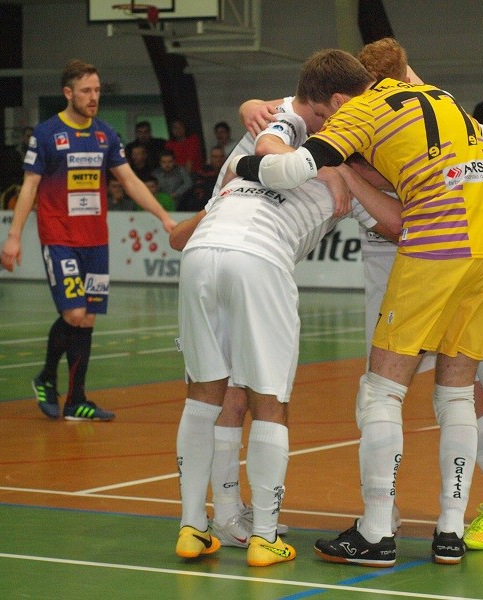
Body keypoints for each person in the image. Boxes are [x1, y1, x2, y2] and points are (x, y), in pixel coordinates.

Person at [234, 47, 483, 567]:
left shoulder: (361, 110)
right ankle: (450, 530)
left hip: (436, 246)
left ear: (344, 95)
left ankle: (376, 531)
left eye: (328, 111)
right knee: (456, 390)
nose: (328, 119)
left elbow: (290, 168)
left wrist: (244, 164)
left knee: (380, 392)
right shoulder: (441, 98)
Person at [170, 96, 399, 567]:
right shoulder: (342, 175)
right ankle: (265, 536)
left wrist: (251, 111)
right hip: (259, 259)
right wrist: (345, 175)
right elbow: (397, 222)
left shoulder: (260, 145)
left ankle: (193, 527)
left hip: (203, 254)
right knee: (270, 401)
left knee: (203, 397)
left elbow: (183, 233)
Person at [0, 59, 176, 421]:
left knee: (88, 318)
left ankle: (76, 400)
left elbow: (129, 180)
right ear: (68, 93)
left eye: (96, 90)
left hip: (95, 239)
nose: (93, 97)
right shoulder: (47, 134)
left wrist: (164, 217)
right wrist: (14, 237)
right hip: (59, 235)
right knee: (74, 313)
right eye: (86, 91)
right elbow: (29, 186)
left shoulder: (105, 134)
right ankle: (47, 377)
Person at [186, 146, 226, 211]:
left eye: (221, 156)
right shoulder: (203, 172)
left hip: (224, 202)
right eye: (215, 157)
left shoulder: (228, 172)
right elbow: (198, 191)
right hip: (205, 205)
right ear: (210, 158)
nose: (219, 159)